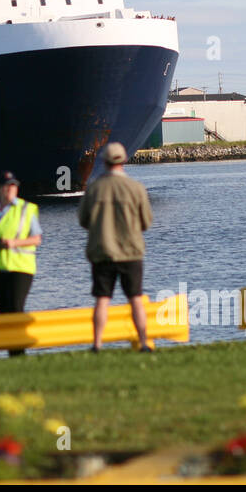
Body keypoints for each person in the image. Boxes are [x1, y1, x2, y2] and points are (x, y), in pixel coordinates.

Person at [78, 142, 154, 353]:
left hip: (102, 252)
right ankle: (144, 342)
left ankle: (97, 344)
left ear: (104, 161)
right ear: (125, 159)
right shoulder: (136, 188)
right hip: (131, 252)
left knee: (102, 300)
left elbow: (84, 220)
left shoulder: (94, 189)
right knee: (136, 299)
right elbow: (146, 222)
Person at [0, 171, 41, 355]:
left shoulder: (26, 209)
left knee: (16, 306)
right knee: (3, 311)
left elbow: (36, 238)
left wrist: (13, 243)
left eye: (13, 185)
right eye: (7, 185)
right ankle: (13, 354)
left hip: (21, 268)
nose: (11, 189)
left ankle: (19, 352)